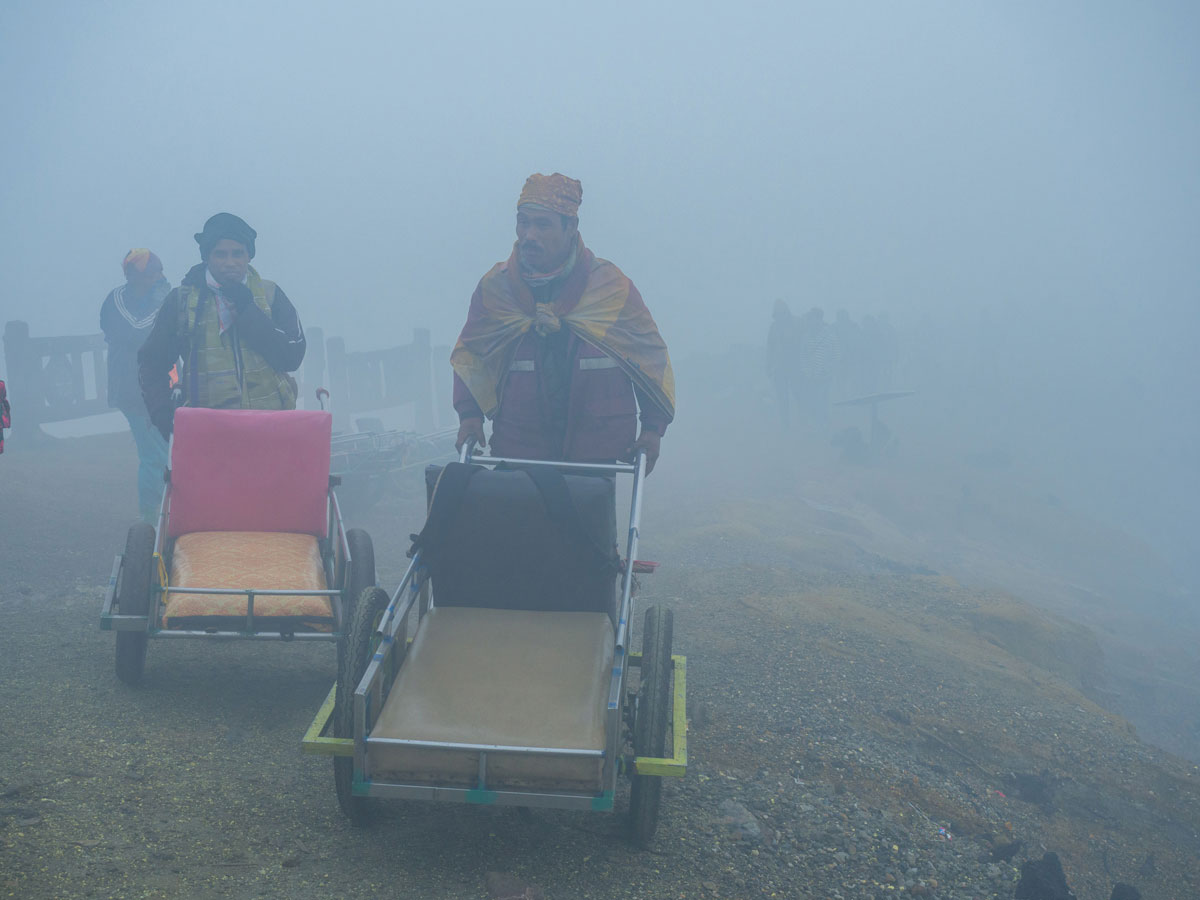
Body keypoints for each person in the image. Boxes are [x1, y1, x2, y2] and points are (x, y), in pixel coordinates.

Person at [451, 173, 674, 472]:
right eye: (523, 222)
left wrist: (652, 428)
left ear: (571, 227)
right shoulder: (496, 290)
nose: (529, 235)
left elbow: (647, 356)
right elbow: (473, 356)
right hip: (520, 448)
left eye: (542, 224)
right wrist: (469, 416)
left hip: (596, 452)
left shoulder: (610, 288)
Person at [138, 213, 306, 439]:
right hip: (208, 431)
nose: (230, 262)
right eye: (220, 254)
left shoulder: (270, 295)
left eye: (238, 253)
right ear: (207, 257)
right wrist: (161, 410)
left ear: (249, 256)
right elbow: (152, 364)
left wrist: (248, 310)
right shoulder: (181, 301)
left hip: (271, 424)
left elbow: (291, 357)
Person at [101, 249, 171, 521]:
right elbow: (135, 331)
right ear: (133, 275)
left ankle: (161, 512)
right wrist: (161, 306)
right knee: (154, 455)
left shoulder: (155, 298)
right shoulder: (117, 300)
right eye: (152, 271)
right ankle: (150, 519)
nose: (159, 276)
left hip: (156, 387)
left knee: (164, 451)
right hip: (131, 390)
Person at [767, 299, 797, 429]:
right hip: (779, 368)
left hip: (795, 368)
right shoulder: (773, 327)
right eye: (777, 312)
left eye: (781, 312)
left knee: (799, 395)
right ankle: (786, 424)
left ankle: (804, 420)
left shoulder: (796, 324)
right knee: (782, 399)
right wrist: (768, 366)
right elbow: (770, 348)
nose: (779, 315)